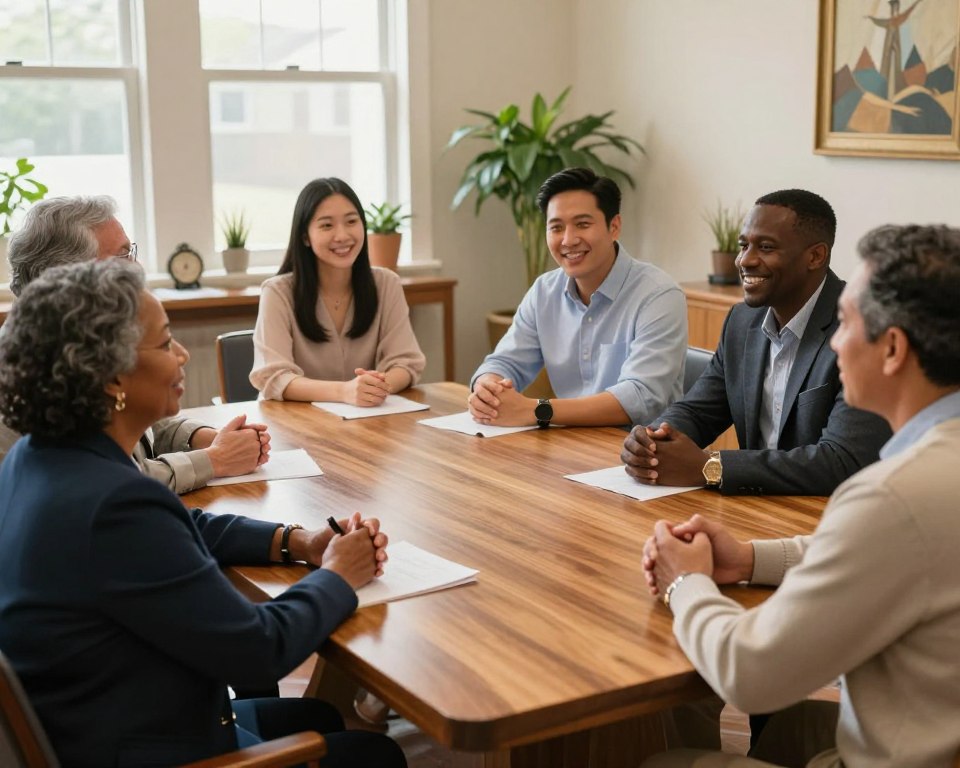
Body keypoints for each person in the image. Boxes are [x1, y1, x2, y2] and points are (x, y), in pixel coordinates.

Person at [0, 259, 406, 768]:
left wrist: (297, 541)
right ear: (109, 377)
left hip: (103, 719)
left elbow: (182, 526)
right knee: (376, 755)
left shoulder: (36, 459)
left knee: (320, 716)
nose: (182, 354)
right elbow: (261, 648)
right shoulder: (113, 505)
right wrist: (340, 574)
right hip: (153, 746)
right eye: (165, 342)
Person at [640, 224, 960, 768]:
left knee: (656, 761)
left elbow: (750, 674)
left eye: (847, 325)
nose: (834, 341)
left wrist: (684, 582)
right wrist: (748, 557)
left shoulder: (893, 496)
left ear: (893, 349)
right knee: (791, 722)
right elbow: (893, 549)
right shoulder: (926, 476)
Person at [621, 189, 890, 496]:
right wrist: (653, 439)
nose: (745, 260)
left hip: (828, 514)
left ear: (815, 256)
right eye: (743, 245)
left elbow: (842, 460)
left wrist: (712, 466)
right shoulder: (741, 321)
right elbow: (699, 410)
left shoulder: (862, 331)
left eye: (765, 247)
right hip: (755, 507)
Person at [1, 195, 268, 492]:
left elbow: (135, 420)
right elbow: (105, 479)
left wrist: (208, 437)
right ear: (71, 277)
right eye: (123, 256)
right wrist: (213, 459)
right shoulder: (29, 364)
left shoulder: (77, 331)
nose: (138, 268)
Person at [468, 167, 687, 428]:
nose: (568, 240)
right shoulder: (543, 292)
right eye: (556, 228)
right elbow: (504, 362)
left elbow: (640, 397)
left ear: (614, 227)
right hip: (570, 445)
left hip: (643, 453)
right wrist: (487, 389)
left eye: (582, 224)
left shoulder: (658, 295)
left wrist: (538, 410)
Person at [250, 177, 425, 404]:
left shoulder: (386, 284)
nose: (342, 235)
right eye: (326, 225)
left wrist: (376, 387)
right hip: (296, 425)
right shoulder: (277, 292)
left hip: (367, 422)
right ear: (305, 236)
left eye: (351, 221)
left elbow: (406, 362)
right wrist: (343, 392)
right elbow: (273, 377)